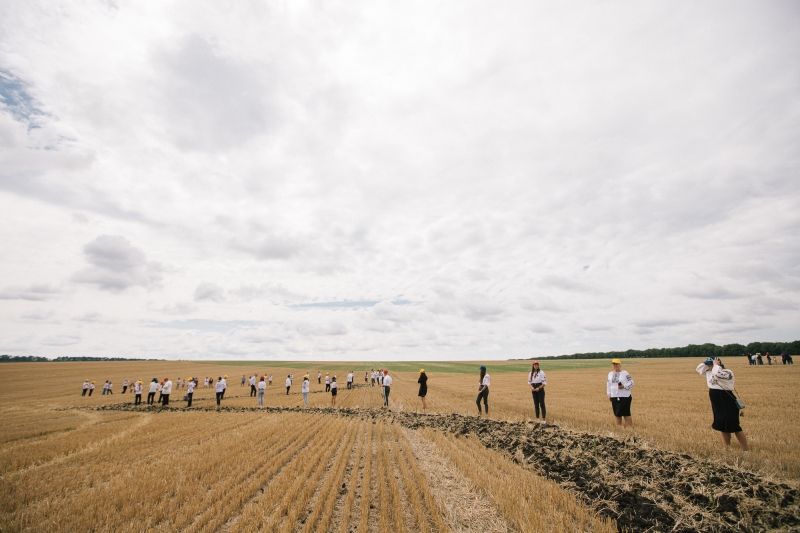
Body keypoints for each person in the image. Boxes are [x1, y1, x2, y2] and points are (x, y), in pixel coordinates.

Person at [696, 357, 748, 450]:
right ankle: (727, 447)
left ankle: (745, 449)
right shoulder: (709, 372)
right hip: (717, 402)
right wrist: (707, 364)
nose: (709, 367)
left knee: (734, 425)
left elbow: (718, 374)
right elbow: (699, 369)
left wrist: (716, 365)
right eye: (709, 365)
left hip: (727, 400)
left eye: (711, 365)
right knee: (721, 425)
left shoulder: (728, 372)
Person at [607, 358, 634, 427]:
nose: (615, 365)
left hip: (625, 396)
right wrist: (609, 394)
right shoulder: (610, 374)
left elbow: (632, 383)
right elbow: (608, 385)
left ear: (620, 364)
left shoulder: (625, 373)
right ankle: (619, 429)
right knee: (617, 413)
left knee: (626, 413)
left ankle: (629, 429)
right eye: (614, 364)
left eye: (616, 364)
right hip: (614, 396)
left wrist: (624, 386)